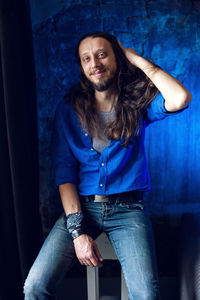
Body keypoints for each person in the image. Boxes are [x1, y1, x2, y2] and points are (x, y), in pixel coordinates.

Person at [24, 31, 192, 300]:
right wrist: (78, 232)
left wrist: (138, 61)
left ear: (117, 58)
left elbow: (181, 98)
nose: (95, 63)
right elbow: (64, 173)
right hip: (82, 209)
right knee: (34, 287)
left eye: (102, 54)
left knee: (147, 295)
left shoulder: (136, 105)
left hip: (129, 211)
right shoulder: (68, 110)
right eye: (86, 58)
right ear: (81, 66)